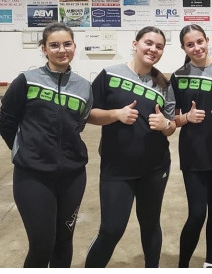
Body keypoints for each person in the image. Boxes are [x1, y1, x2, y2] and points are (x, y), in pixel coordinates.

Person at [0, 22, 92, 267]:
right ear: (44, 49)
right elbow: (6, 119)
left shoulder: (84, 86)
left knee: (64, 243)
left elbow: (79, 124)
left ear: (74, 46)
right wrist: (24, 150)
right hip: (32, 176)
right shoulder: (27, 81)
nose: (62, 50)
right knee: (42, 244)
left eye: (67, 44)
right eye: (54, 45)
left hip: (72, 176)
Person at [84, 26, 176, 268]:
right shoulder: (109, 74)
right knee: (112, 229)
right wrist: (116, 114)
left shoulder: (164, 84)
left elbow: (172, 125)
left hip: (155, 169)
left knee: (150, 225)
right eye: (148, 43)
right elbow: (89, 114)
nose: (153, 49)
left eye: (159, 46)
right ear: (135, 44)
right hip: (117, 168)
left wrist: (166, 124)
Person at [170, 24, 212, 268]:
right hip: (192, 154)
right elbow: (170, 120)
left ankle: (209, 262)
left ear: (207, 40)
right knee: (197, 213)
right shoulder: (178, 76)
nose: (196, 48)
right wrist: (187, 118)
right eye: (190, 44)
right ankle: (183, 266)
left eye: (200, 41)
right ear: (183, 47)